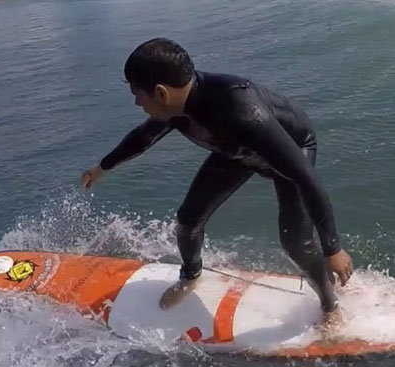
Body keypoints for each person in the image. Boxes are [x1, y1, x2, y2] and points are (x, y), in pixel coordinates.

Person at [80, 37, 352, 322]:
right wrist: (101, 168)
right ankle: (191, 275)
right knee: (188, 221)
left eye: (138, 95)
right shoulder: (176, 106)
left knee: (296, 242)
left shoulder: (241, 109)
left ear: (160, 93)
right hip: (236, 152)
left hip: (291, 149)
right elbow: (143, 137)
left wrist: (332, 248)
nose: (137, 103)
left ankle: (330, 305)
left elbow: (305, 178)